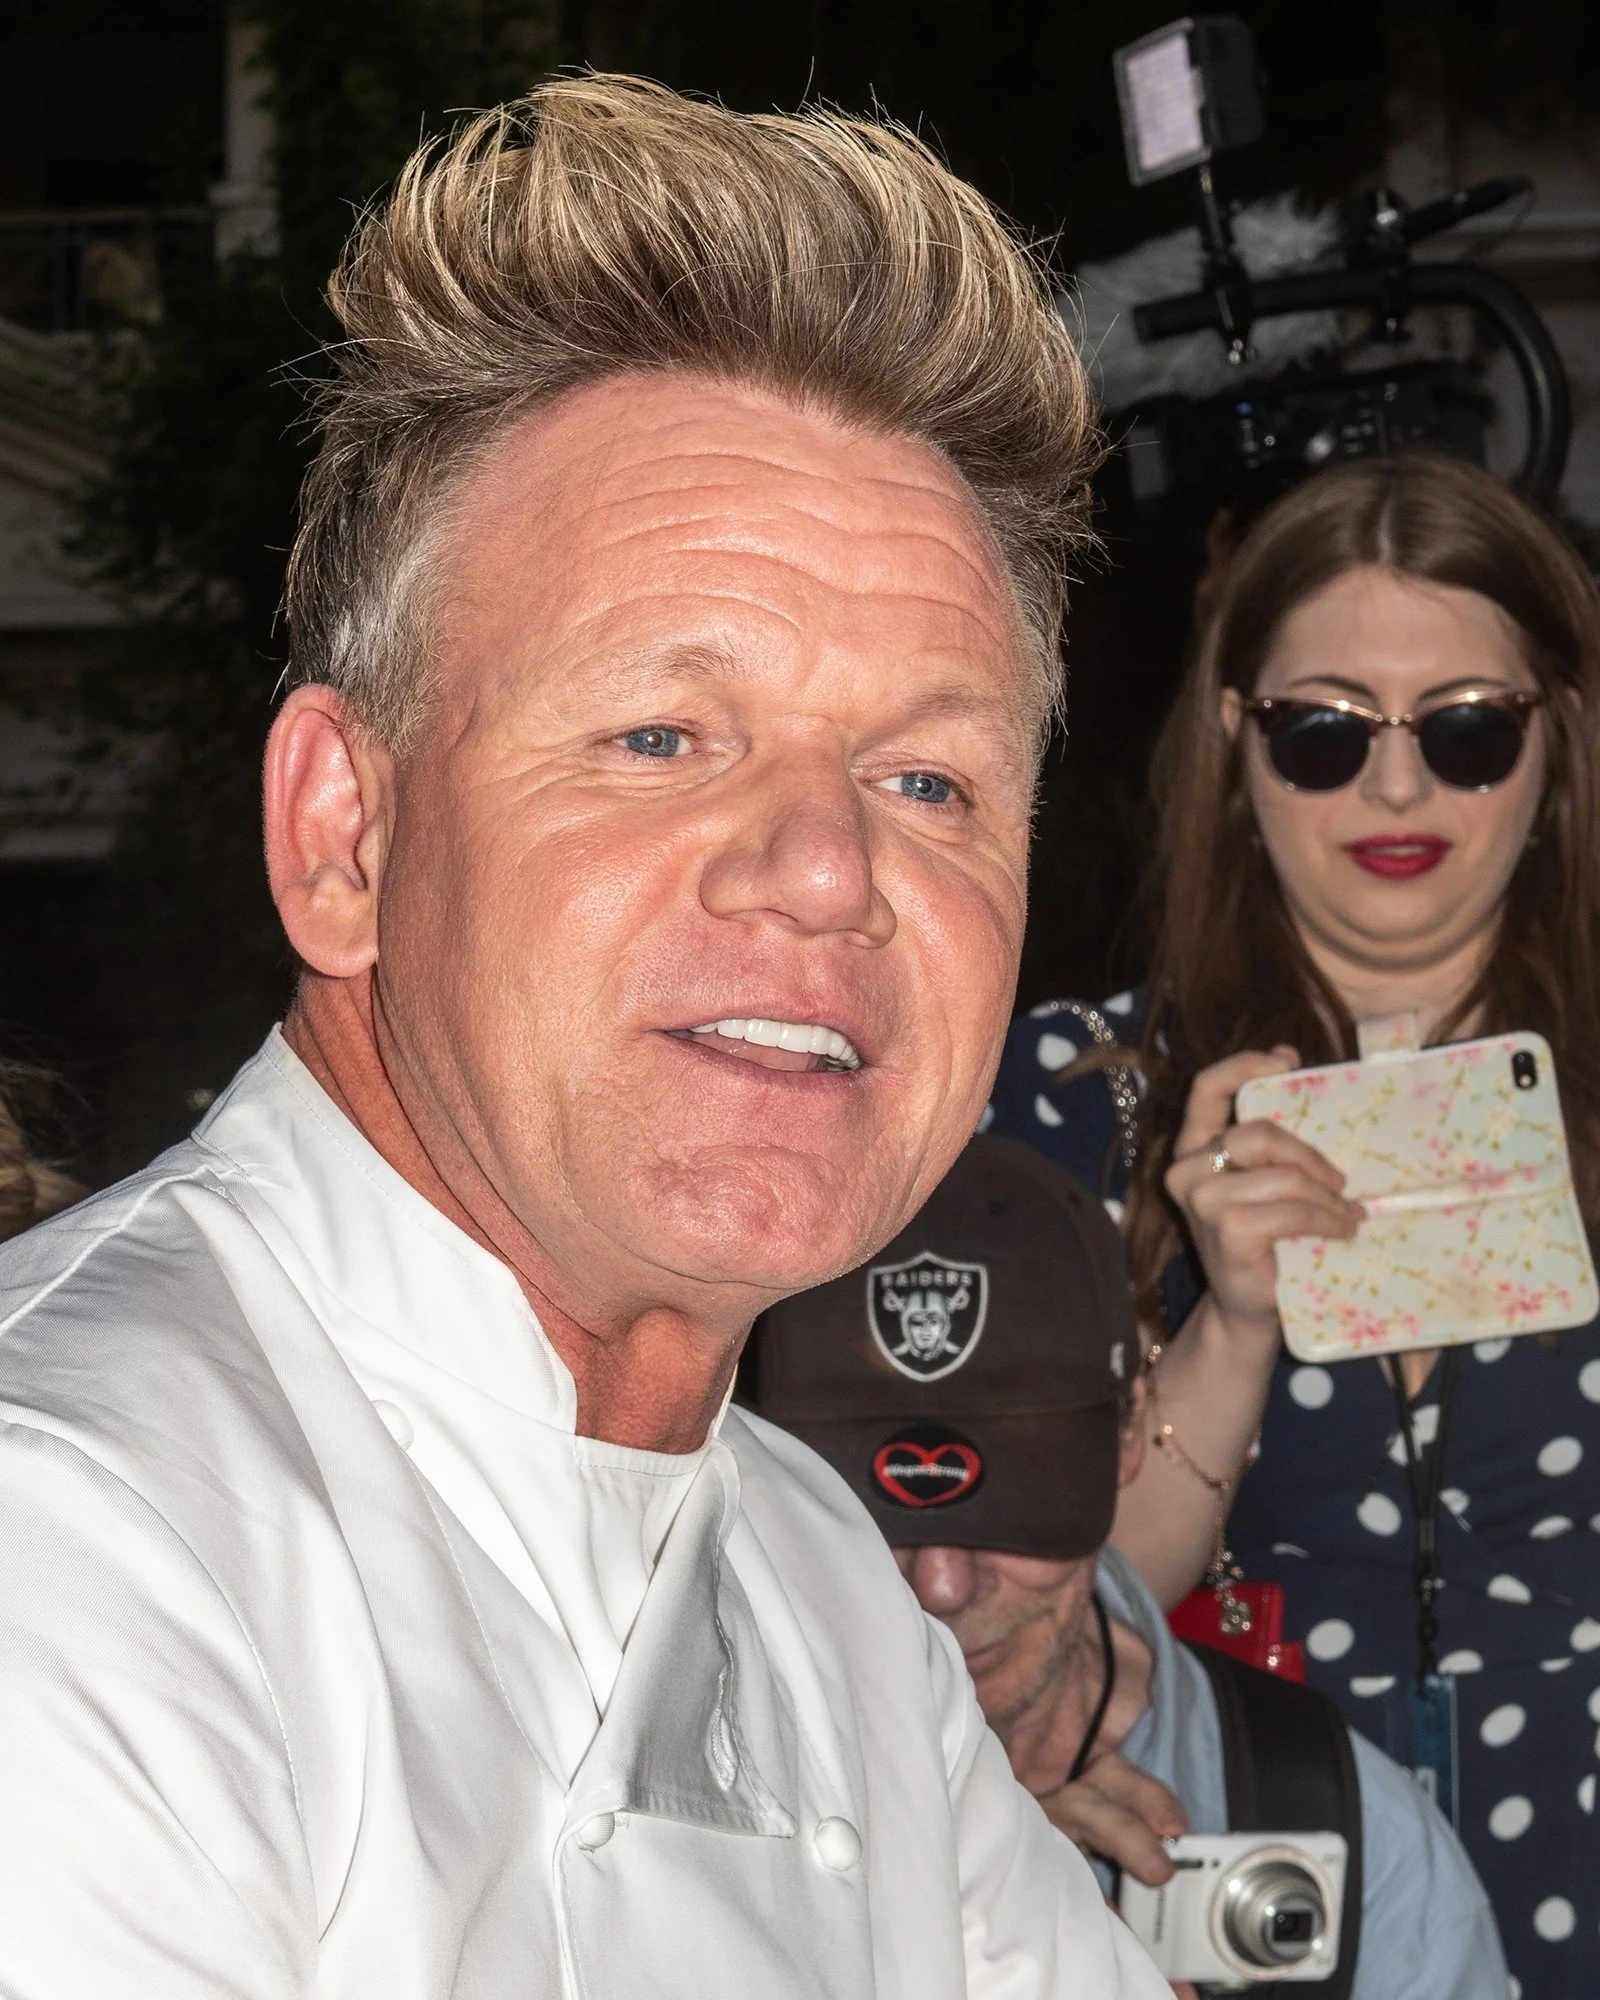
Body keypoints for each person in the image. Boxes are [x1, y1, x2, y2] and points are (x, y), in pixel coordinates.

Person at [0, 74, 1170, 2000]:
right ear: (343, 837)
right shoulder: (83, 1528)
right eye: (659, 736)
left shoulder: (818, 1576)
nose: (827, 870)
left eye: (932, 781)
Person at [987, 448, 1600, 1997]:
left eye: (1467, 730)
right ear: (1233, 739)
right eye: (1326, 734)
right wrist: (1231, 1321)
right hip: (1247, 1920)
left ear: (1559, 747)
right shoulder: (1067, 1105)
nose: (1398, 788)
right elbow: (1036, 1619)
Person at [750, 1131, 1509, 2000]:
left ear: (1128, 1430)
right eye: (872, 1511)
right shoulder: (674, 1805)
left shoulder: (1340, 1830)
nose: (943, 1588)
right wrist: (959, 1887)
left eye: (1015, 1508)